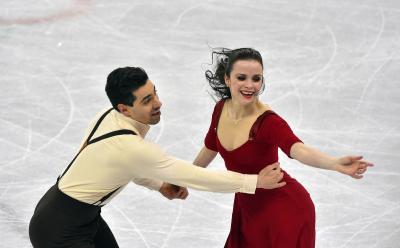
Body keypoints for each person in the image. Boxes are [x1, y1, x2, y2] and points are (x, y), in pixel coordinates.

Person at [28, 66, 286, 248]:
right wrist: (253, 183)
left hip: (76, 215)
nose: (159, 103)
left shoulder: (107, 117)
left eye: (155, 93)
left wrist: (159, 185)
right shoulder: (130, 146)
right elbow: (194, 176)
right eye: (147, 100)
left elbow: (124, 166)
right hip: (59, 231)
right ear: (124, 108)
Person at [193, 48, 374, 248]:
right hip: (248, 210)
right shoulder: (221, 109)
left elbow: (298, 149)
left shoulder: (268, 122)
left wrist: (334, 163)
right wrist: (184, 177)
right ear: (228, 79)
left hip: (284, 211)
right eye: (241, 77)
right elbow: (210, 147)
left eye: (256, 79)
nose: (250, 85)